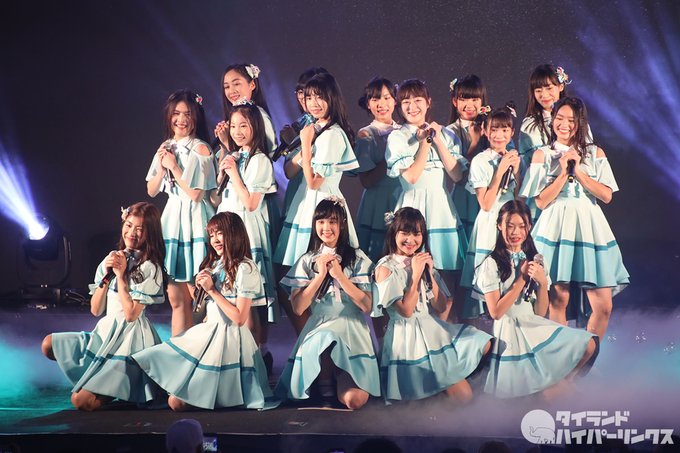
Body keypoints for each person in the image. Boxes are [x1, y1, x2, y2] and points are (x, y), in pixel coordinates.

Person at [133, 212, 275, 410]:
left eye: (220, 233)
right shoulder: (215, 265)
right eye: (212, 235)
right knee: (153, 363)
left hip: (230, 341)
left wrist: (212, 290)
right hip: (210, 332)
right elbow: (204, 306)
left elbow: (239, 318)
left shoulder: (245, 267)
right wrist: (198, 286)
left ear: (234, 234)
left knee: (177, 402)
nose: (215, 240)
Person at [519, 97, 629, 339]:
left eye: (571, 120)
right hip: (556, 226)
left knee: (603, 305)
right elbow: (540, 201)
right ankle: (563, 356)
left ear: (580, 123)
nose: (564, 125)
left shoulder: (594, 152)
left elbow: (606, 195)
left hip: (590, 227)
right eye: (559, 118)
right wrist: (562, 173)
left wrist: (578, 171)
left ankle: (588, 355)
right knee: (558, 299)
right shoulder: (542, 154)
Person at [41, 202, 166, 410]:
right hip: (106, 332)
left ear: (150, 233)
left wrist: (121, 276)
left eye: (139, 229)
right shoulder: (113, 258)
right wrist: (107, 277)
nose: (131, 233)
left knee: (82, 402)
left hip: (130, 340)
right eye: (128, 225)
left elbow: (131, 315)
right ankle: (107, 382)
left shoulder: (150, 267)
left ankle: (122, 386)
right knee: (48, 344)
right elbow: (96, 309)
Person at [473, 200, 598, 398]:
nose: (516, 232)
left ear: (529, 227)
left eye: (522, 226)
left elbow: (540, 312)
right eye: (510, 226)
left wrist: (542, 283)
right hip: (509, 329)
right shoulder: (491, 263)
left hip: (532, 324)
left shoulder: (536, 259)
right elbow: (496, 312)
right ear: (499, 226)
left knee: (588, 344)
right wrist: (521, 279)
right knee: (541, 397)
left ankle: (563, 382)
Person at [373, 207, 492, 404]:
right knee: (461, 397)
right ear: (394, 233)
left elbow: (441, 306)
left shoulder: (421, 262)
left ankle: (441, 397)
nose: (411, 240)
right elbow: (406, 311)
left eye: (416, 234)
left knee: (483, 343)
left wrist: (429, 273)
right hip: (407, 337)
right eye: (405, 233)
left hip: (431, 329)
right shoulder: (386, 267)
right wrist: (415, 275)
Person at [275, 198, 379, 410]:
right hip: (319, 326)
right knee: (325, 336)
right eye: (321, 221)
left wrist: (340, 276)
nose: (326, 227)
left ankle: (338, 378)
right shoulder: (307, 260)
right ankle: (324, 385)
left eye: (332, 221)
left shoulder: (357, 258)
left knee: (354, 400)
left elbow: (367, 306)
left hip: (351, 328)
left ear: (342, 224)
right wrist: (320, 276)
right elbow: (298, 308)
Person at [385, 79, 467, 320]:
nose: (412, 107)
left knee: (445, 277)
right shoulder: (398, 137)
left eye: (418, 100)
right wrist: (424, 143)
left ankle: (441, 333)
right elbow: (411, 177)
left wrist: (437, 139)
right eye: (406, 102)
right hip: (411, 208)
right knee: (409, 272)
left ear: (429, 102)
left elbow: (456, 175)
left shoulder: (447, 134)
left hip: (441, 209)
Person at [210, 100, 278, 371]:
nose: (237, 132)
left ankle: (256, 358)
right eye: (234, 126)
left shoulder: (260, 160)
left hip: (247, 231)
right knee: (232, 290)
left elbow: (251, 203)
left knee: (250, 297)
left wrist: (234, 173)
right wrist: (223, 170)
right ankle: (238, 356)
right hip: (227, 229)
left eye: (244, 126)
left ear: (256, 127)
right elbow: (216, 199)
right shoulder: (233, 157)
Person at [146, 89, 216, 336]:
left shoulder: (201, 149)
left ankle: (205, 347)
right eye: (176, 113)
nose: (181, 119)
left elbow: (196, 194)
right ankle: (178, 349)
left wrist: (174, 167)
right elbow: (152, 190)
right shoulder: (166, 146)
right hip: (173, 219)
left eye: (188, 114)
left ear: (196, 117)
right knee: (175, 296)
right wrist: (161, 167)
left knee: (199, 293)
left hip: (195, 219)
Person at [274, 73, 359, 267]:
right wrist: (304, 143)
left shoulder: (332, 134)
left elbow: (313, 183)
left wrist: (305, 144)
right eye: (309, 97)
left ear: (332, 98)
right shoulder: (314, 129)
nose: (313, 103)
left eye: (319, 97)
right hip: (305, 202)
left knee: (323, 262)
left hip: (323, 202)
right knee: (301, 267)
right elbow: (290, 172)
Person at [460, 104, 522, 319]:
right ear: (485, 131)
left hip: (512, 222)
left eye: (505, 130)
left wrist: (517, 171)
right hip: (491, 222)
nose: (499, 135)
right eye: (494, 129)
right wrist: (500, 171)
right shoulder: (480, 160)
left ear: (512, 132)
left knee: (512, 276)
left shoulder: (515, 158)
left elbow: (520, 198)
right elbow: (485, 204)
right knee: (491, 279)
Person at [214, 63, 281, 250]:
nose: (231, 90)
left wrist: (230, 149)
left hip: (254, 196)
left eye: (237, 84)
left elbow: (268, 154)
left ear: (252, 84)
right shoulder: (235, 117)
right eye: (227, 86)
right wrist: (226, 145)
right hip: (236, 202)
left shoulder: (258, 115)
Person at [354, 76, 401, 262]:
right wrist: (391, 154)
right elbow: (366, 181)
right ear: (368, 104)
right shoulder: (366, 134)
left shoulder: (404, 131)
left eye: (387, 97)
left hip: (402, 198)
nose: (382, 104)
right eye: (375, 99)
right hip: (377, 204)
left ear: (395, 101)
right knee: (376, 257)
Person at [447, 74, 488, 238]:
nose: (469, 105)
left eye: (475, 99)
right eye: (464, 99)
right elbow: (458, 174)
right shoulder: (449, 132)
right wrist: (475, 142)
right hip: (463, 196)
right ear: (455, 101)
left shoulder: (492, 125)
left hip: (491, 194)